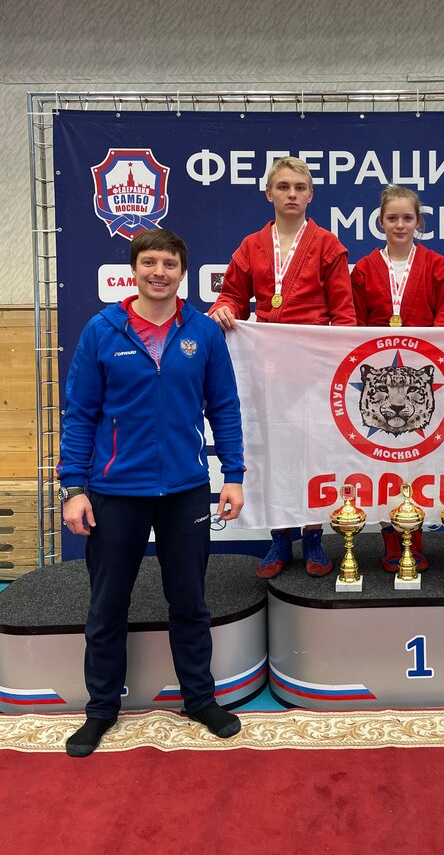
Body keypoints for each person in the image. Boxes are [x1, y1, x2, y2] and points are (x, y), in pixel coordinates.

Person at [58, 228, 246, 758]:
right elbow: (80, 414)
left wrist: (233, 475)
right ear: (134, 268)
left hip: (185, 490)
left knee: (189, 600)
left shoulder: (202, 333)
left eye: (169, 263)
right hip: (115, 491)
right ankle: (101, 710)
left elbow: (224, 407)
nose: (159, 272)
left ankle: (200, 699)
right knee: (107, 604)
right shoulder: (102, 330)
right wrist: (73, 488)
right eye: (149, 262)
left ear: (182, 272)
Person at [209, 155, 356, 578]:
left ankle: (313, 535)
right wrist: (223, 308)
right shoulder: (251, 246)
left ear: (311, 195)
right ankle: (279, 535)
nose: (292, 194)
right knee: (271, 451)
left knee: (313, 453)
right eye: (284, 187)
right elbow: (233, 296)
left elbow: (344, 315)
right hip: (268, 368)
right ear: (268, 193)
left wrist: (333, 365)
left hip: (313, 370)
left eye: (299, 188)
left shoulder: (328, 244)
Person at [352, 184, 444, 571]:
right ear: (380, 221)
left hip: (420, 380)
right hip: (380, 380)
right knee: (382, 458)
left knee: (418, 456)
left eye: (407, 218)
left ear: (419, 222)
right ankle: (389, 533)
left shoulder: (438, 267)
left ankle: (415, 531)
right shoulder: (364, 269)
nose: (400, 224)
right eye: (392, 218)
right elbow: (354, 324)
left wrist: (421, 351)